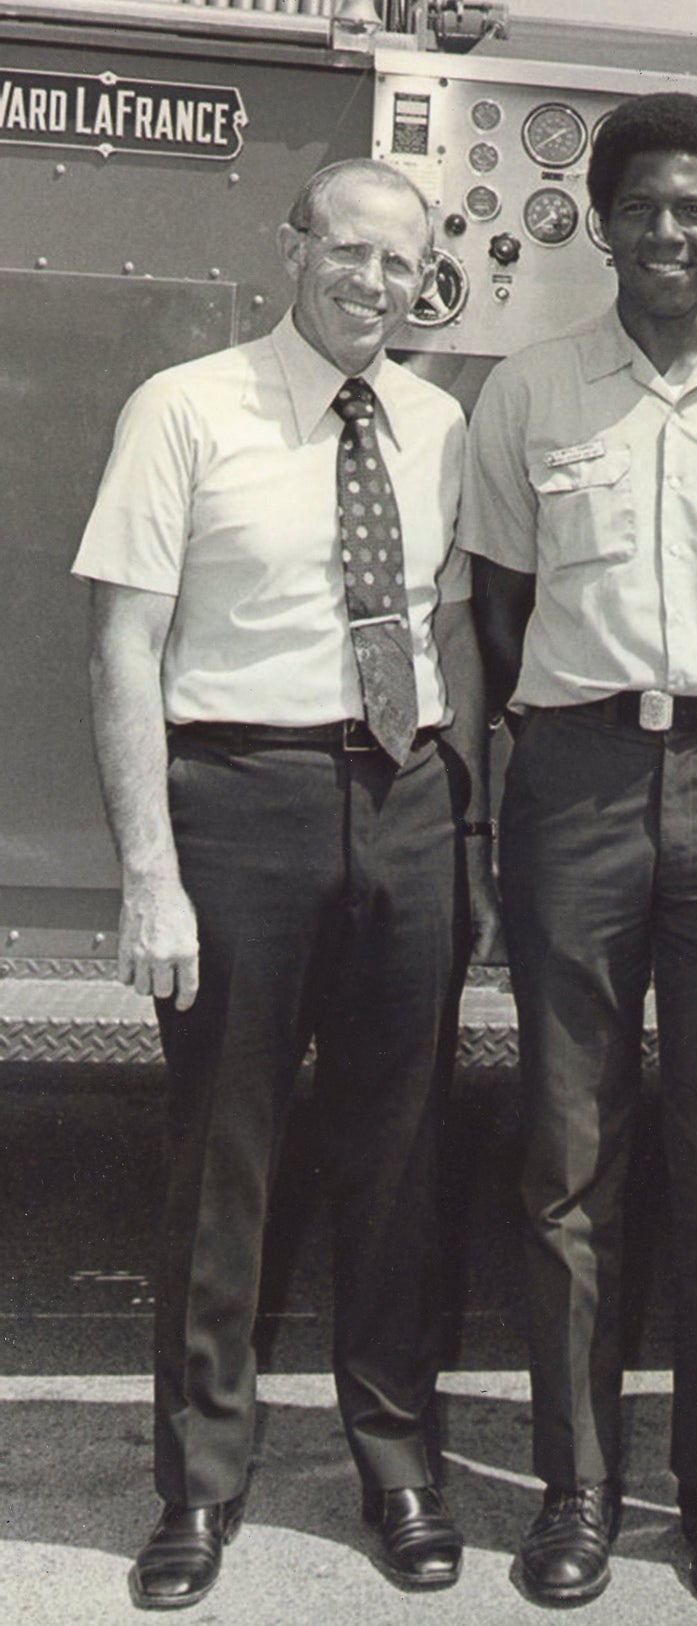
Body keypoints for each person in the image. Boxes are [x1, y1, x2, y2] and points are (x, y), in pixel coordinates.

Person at [75, 158, 485, 1609]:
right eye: (349, 251)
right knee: (226, 1153)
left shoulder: (439, 423)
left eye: (403, 264)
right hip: (237, 797)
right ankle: (198, 1482)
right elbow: (127, 643)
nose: (374, 282)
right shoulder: (185, 408)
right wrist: (150, 869)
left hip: (405, 794)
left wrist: (463, 832)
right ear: (292, 248)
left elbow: (452, 631)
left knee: (401, 1151)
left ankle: (396, 1456)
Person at [462, 92, 697, 1613]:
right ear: (599, 220)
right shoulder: (532, 393)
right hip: (576, 775)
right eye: (645, 207)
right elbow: (501, 612)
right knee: (569, 1145)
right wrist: (568, 749)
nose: (672, 233)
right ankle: (577, 1482)